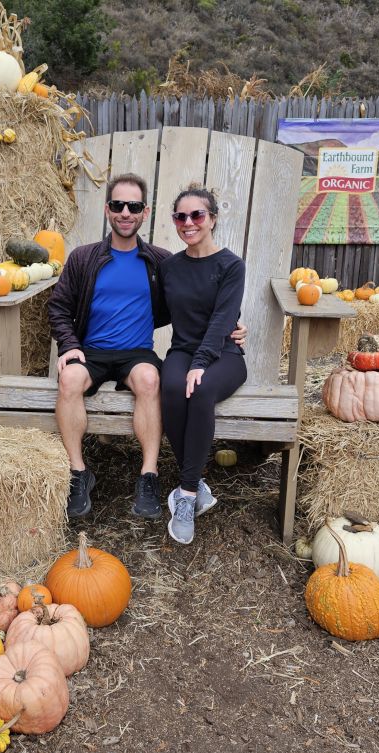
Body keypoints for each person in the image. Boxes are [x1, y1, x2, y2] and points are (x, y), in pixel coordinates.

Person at [48, 173, 245, 520]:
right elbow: (59, 306)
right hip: (90, 350)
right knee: (67, 380)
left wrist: (233, 325)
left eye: (133, 206)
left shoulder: (159, 262)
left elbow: (195, 302)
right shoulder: (83, 258)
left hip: (136, 352)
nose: (125, 212)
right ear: (108, 210)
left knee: (151, 381)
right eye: (118, 205)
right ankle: (79, 473)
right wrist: (68, 344)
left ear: (145, 212)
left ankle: (149, 475)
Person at [159, 186, 247, 544]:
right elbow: (158, 313)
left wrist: (201, 362)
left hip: (224, 353)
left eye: (197, 215)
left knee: (201, 389)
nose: (189, 223)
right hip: (182, 349)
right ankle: (197, 487)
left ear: (212, 219)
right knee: (169, 387)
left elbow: (222, 319)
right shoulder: (169, 267)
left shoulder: (230, 265)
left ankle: (188, 494)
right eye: (181, 216)